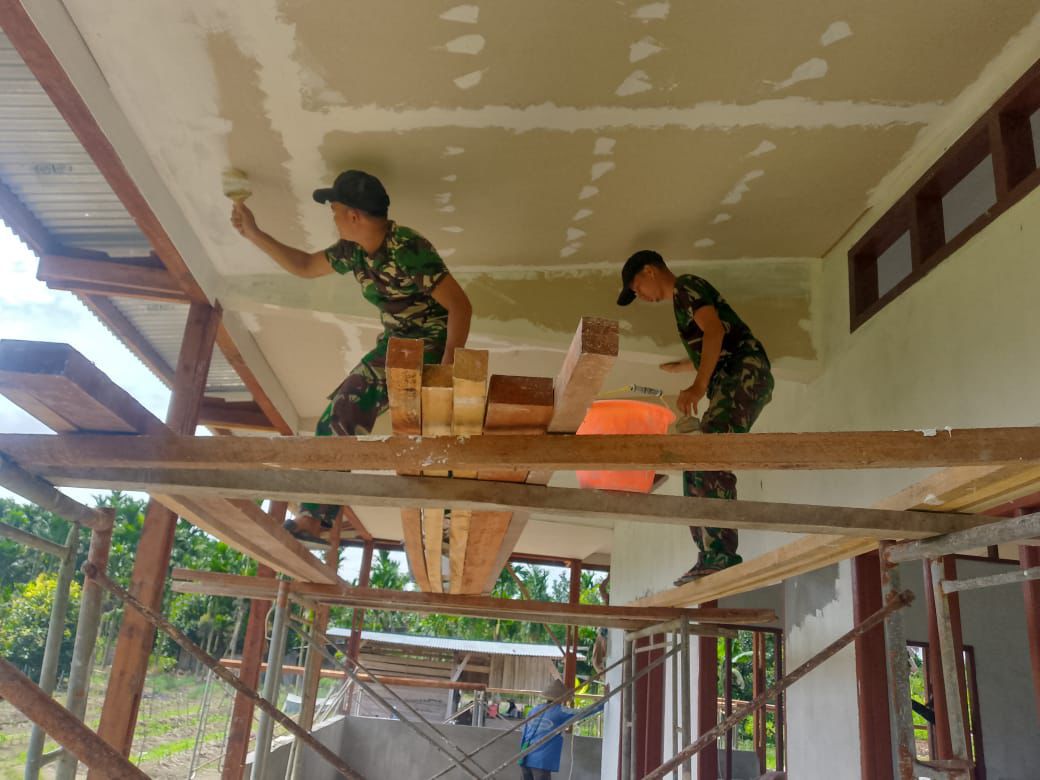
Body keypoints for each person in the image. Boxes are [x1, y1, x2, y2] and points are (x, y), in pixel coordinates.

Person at [232, 169, 473, 541]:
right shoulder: (353, 252)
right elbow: (304, 266)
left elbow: (460, 307)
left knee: (430, 433)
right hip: (396, 343)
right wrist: (254, 233)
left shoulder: (409, 248)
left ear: (354, 216)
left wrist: (446, 375)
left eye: (335, 211)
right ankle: (315, 516)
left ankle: (446, 523)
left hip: (431, 340)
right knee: (342, 411)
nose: (333, 218)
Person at [617, 250, 773, 585]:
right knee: (694, 460)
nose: (641, 297)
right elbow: (716, 342)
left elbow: (715, 332)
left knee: (710, 455)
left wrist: (698, 385)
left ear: (649, 270)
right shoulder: (680, 303)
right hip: (733, 376)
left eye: (637, 287)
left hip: (744, 373)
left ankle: (721, 554)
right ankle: (708, 554)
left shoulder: (686, 286)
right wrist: (685, 366)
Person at [518, 680, 604, 779]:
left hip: (525, 756)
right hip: (541, 760)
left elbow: (524, 731)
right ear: (562, 698)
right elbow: (583, 712)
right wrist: (602, 704)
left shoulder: (535, 710)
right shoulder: (560, 711)